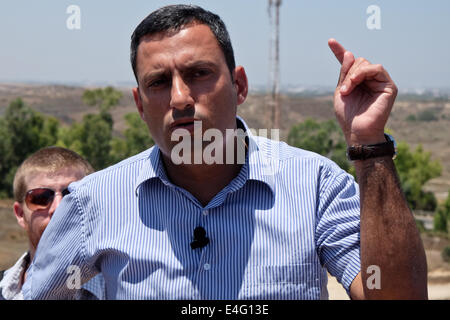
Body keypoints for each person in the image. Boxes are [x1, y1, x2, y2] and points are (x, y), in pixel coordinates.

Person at [23, 5, 427, 300]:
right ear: (140, 103)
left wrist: (370, 146)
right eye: (159, 82)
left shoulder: (315, 186)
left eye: (199, 74)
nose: (180, 98)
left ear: (240, 86)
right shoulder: (93, 203)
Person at [0, 146, 105, 300]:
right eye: (41, 197)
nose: (58, 208)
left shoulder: (126, 289)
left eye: (71, 195)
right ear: (20, 214)